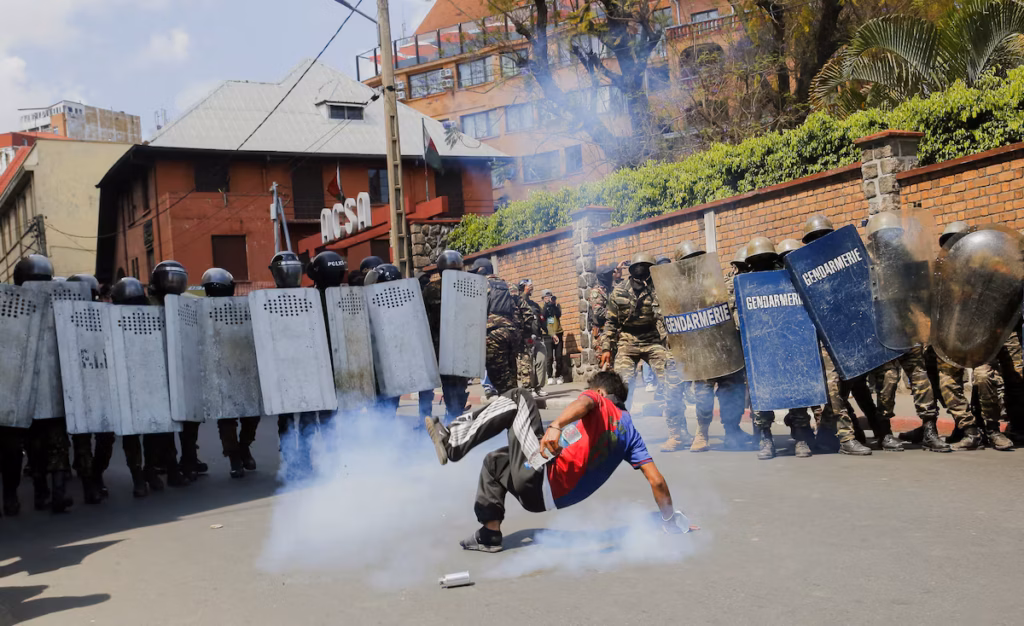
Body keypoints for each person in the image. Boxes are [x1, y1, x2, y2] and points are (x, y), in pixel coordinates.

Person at [423, 371, 695, 552]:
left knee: (519, 397)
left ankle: (453, 442)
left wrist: (556, 425)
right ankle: (489, 534)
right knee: (496, 462)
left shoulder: (598, 401)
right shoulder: (632, 434)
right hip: (546, 499)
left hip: (542, 480)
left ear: (600, 391)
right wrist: (669, 520)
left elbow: (585, 404)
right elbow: (657, 481)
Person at [864, 213, 951, 453]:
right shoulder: (866, 261)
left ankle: (929, 429)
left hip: (907, 329)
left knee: (920, 377)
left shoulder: (905, 259)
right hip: (883, 332)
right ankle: (884, 432)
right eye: (883, 236)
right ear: (874, 238)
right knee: (888, 380)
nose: (887, 240)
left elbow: (922, 294)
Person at [600, 253, 691, 451]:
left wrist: (672, 343)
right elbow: (611, 323)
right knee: (621, 386)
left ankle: (678, 433)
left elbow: (665, 317)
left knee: (672, 378)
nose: (642, 271)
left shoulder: (657, 288)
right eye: (638, 267)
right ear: (632, 270)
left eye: (646, 267)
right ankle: (620, 436)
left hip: (652, 340)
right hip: (627, 342)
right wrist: (606, 348)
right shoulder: (618, 292)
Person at [800, 215, 874, 456]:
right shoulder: (802, 267)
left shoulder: (846, 259)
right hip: (824, 338)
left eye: (824, 237)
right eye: (815, 238)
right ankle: (846, 438)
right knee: (835, 387)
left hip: (848, 333)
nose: (820, 242)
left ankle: (824, 435)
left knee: (844, 388)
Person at [674, 240, 754, 454]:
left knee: (732, 390)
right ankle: (702, 433)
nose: (694, 264)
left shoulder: (718, 281)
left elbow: (733, 305)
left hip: (725, 346)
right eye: (688, 261)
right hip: (701, 350)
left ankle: (732, 431)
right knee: (703, 394)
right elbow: (670, 322)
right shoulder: (676, 291)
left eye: (696, 259)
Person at [111, 276, 172, 497]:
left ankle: (148, 472)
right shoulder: (112, 320)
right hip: (126, 382)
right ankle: (139, 475)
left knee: (153, 431)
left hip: (150, 380)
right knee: (133, 434)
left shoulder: (155, 317)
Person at [202, 267, 261, 478]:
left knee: (251, 414)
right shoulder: (201, 310)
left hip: (244, 367)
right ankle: (235, 456)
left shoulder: (244, 307)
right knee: (226, 418)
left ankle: (243, 447)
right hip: (218, 369)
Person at [150, 260, 207, 481]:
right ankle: (170, 465)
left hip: (185, 370)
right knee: (166, 424)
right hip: (159, 373)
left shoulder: (187, 305)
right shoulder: (148, 306)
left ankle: (189, 459)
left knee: (189, 420)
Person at [66, 273, 115, 503]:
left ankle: (96, 475)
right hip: (77, 386)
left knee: (106, 439)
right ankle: (88, 484)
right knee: (82, 441)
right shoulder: (63, 315)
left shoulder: (106, 314)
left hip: (103, 385)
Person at [420, 250, 471, 425]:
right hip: (459, 349)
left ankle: (426, 420)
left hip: (436, 349)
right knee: (456, 388)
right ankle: (453, 420)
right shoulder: (468, 287)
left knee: (429, 387)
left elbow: (423, 320)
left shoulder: (430, 290)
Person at [472, 258, 529, 396]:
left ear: (481, 271)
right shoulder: (510, 286)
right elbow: (527, 312)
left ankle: (509, 405)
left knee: (499, 380)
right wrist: (522, 335)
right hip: (512, 334)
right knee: (511, 373)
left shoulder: (480, 285)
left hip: (493, 336)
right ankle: (515, 405)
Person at [516, 279, 548, 397]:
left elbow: (543, 320)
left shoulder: (534, 305)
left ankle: (538, 387)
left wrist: (552, 333)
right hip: (526, 338)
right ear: (523, 287)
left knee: (541, 360)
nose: (531, 287)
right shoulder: (518, 302)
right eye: (528, 285)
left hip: (538, 337)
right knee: (528, 365)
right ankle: (529, 389)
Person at [542, 290, 564, 384]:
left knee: (558, 356)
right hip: (547, 335)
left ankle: (559, 375)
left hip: (558, 333)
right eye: (547, 297)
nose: (550, 298)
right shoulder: (543, 308)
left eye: (551, 296)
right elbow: (543, 316)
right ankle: (550, 376)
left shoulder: (556, 306)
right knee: (549, 357)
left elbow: (558, 314)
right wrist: (547, 305)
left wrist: (553, 305)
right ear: (543, 299)